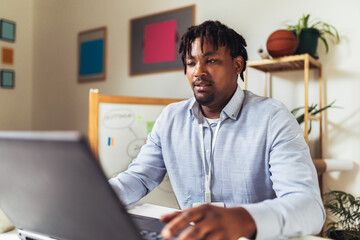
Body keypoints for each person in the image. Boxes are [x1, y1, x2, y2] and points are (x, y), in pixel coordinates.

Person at [109, 20, 325, 239]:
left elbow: (309, 207)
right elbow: (139, 178)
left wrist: (243, 219)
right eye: (191, 62)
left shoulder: (272, 117)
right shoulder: (171, 118)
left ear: (237, 65)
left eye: (210, 60)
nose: (198, 71)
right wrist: (94, 197)